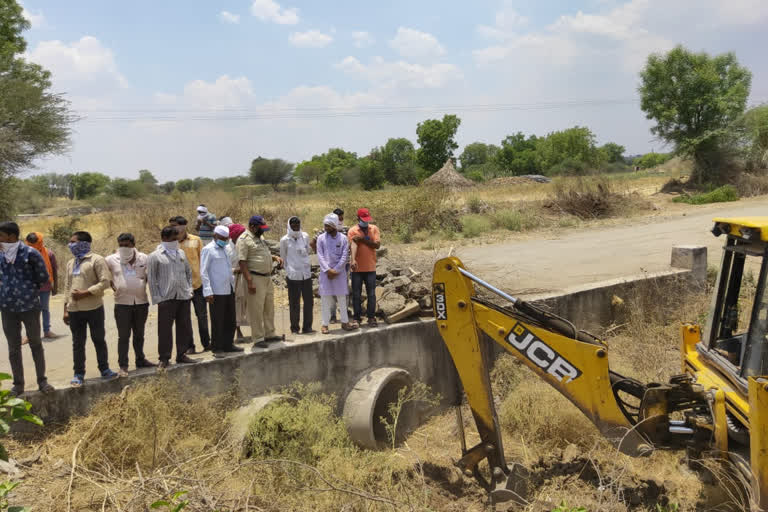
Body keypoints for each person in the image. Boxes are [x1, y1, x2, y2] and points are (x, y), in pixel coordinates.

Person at [0, 222, 54, 395]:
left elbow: (43, 276)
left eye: (1, 235)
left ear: (10, 236)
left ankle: (42, 381)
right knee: (13, 348)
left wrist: (28, 290)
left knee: (36, 344)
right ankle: (18, 385)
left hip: (30, 306)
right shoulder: (0, 255)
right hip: (7, 308)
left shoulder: (30, 253)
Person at [63, 231, 118, 386]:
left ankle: (105, 369)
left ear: (83, 243)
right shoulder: (70, 263)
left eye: (73, 242)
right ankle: (78, 374)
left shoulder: (97, 260)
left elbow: (105, 282)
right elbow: (67, 287)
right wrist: (65, 310)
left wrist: (86, 293)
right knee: (78, 343)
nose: (70, 245)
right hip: (74, 310)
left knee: (99, 339)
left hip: (94, 308)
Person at [105, 233, 157, 377]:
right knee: (123, 336)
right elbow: (103, 275)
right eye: (121, 245)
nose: (124, 248)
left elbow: (149, 276)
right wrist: (113, 285)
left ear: (133, 244)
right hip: (122, 303)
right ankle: (123, 365)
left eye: (126, 245)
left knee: (139, 334)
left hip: (141, 302)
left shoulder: (144, 258)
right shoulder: (110, 259)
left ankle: (140, 359)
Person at [147, 226, 198, 369]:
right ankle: (164, 358)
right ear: (164, 239)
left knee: (184, 326)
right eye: (172, 239)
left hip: (183, 296)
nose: (175, 241)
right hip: (166, 298)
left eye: (177, 239)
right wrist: (157, 298)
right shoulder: (155, 256)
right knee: (164, 330)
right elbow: (151, 279)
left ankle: (181, 354)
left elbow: (188, 272)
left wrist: (189, 290)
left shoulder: (181, 253)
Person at [237, 215, 283, 348]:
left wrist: (273, 257)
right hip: (254, 278)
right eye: (260, 228)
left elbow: (260, 253)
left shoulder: (259, 237)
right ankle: (258, 337)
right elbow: (242, 262)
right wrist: (249, 281)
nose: (263, 230)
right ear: (252, 226)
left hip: (267, 277)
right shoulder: (244, 240)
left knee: (269, 307)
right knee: (256, 309)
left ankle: (270, 333)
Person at [200, 225, 244, 357]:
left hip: (228, 288)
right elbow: (204, 272)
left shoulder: (225, 249)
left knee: (230, 318)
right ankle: (217, 347)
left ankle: (228, 344)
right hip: (216, 291)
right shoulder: (208, 250)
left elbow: (224, 268)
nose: (225, 240)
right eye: (222, 238)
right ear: (215, 236)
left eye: (226, 238)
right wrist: (208, 291)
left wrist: (233, 273)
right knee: (218, 320)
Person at [170, 216, 210, 353]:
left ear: (184, 225)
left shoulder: (196, 240)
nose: (173, 228)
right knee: (184, 320)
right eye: (171, 226)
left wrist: (206, 282)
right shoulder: (171, 242)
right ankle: (190, 347)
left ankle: (207, 344)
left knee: (202, 317)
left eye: (175, 225)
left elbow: (202, 261)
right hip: (180, 287)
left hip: (197, 285)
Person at [316, 214, 358, 334]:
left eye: (328, 225)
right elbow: (320, 255)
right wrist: (328, 270)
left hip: (339, 273)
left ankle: (345, 322)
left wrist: (336, 270)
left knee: (341, 298)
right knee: (325, 299)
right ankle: (325, 324)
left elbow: (345, 256)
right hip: (326, 273)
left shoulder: (343, 238)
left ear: (334, 225)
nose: (326, 228)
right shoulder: (321, 238)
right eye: (325, 225)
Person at [280, 216, 314, 335]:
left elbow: (308, 251)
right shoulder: (284, 240)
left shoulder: (304, 236)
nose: (296, 227)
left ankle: (307, 326)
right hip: (293, 275)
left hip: (306, 274)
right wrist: (289, 271)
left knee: (309, 301)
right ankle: (295, 328)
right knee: (294, 303)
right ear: (290, 225)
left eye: (298, 224)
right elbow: (283, 257)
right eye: (293, 225)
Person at [348, 208, 381, 327]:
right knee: (356, 294)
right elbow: (352, 247)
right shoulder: (352, 231)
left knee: (371, 294)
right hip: (357, 269)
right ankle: (357, 318)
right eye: (363, 220)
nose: (366, 222)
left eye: (367, 220)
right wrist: (353, 260)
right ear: (358, 219)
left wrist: (362, 239)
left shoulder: (374, 229)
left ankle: (371, 317)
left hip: (370, 267)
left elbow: (377, 245)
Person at [24, 232, 60, 340]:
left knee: (45, 309)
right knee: (30, 311)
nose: (33, 247)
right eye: (30, 244)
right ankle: (29, 334)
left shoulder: (49, 254)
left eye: (35, 244)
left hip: (45, 286)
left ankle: (47, 331)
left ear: (40, 242)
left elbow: (54, 271)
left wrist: (55, 287)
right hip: (29, 287)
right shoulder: (23, 254)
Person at [228, 223, 249, 340]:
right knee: (236, 306)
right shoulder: (227, 249)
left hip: (246, 278)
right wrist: (236, 270)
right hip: (233, 280)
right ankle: (238, 332)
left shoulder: (245, 245)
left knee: (248, 304)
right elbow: (224, 267)